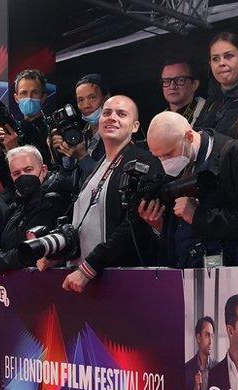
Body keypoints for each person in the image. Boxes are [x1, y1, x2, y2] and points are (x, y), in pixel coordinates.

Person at [60, 96, 164, 293]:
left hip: (119, 280)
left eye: (121, 114)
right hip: (84, 278)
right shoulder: (96, 167)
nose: (111, 118)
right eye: (106, 113)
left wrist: (90, 267)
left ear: (135, 126)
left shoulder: (145, 162)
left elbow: (136, 223)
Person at [142, 111, 238, 268]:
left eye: (169, 154)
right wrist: (160, 227)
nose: (165, 163)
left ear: (189, 137)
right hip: (183, 273)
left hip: (230, 275)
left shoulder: (236, 154)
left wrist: (198, 216)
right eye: (159, 157)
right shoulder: (177, 168)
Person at [0, 145, 71, 273]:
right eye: (16, 173)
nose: (23, 176)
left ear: (44, 170)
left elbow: (29, 251)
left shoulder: (54, 199)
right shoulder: (17, 202)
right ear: (11, 177)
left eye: (28, 170)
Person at [50, 74, 108, 186]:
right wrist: (59, 154)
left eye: (92, 97)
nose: (86, 105)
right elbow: (71, 180)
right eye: (81, 100)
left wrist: (82, 156)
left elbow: (106, 181)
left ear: (106, 98)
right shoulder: (79, 135)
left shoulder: (115, 136)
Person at [0, 69, 54, 169]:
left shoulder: (51, 130)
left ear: (43, 97)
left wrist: (15, 152)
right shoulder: (14, 130)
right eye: (24, 93)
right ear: (16, 98)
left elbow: (47, 173)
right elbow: (7, 183)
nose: (29, 97)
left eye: (34, 92)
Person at [197, 32, 238, 137]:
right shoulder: (211, 101)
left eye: (229, 56)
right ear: (210, 64)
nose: (221, 63)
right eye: (215, 59)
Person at [161, 57, 205, 126]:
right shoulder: (159, 121)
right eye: (166, 81)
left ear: (195, 84)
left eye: (180, 80)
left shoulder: (209, 115)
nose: (172, 86)